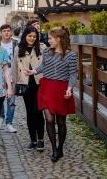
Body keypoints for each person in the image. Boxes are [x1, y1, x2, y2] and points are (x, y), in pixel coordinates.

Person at [24, 26, 77, 162]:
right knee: (49, 119)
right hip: (46, 87)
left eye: (50, 38)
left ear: (58, 39)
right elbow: (43, 67)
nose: (49, 41)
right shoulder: (47, 52)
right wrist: (33, 71)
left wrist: (70, 88)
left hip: (61, 89)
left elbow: (72, 74)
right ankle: (54, 149)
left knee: (61, 122)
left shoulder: (71, 55)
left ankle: (60, 148)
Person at [13, 26, 46, 152]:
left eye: (34, 36)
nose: (32, 38)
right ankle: (32, 140)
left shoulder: (42, 48)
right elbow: (15, 67)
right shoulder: (18, 49)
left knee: (38, 111)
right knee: (29, 112)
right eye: (30, 36)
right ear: (25, 36)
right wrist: (14, 84)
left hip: (39, 83)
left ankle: (41, 139)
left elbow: (46, 65)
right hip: (25, 84)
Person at [0, 24, 18, 133]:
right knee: (0, 99)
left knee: (11, 101)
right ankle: (1, 117)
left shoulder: (16, 44)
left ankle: (9, 122)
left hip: (12, 76)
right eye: (4, 31)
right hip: (0, 77)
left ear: (11, 32)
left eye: (8, 31)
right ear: (1, 33)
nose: (7, 33)